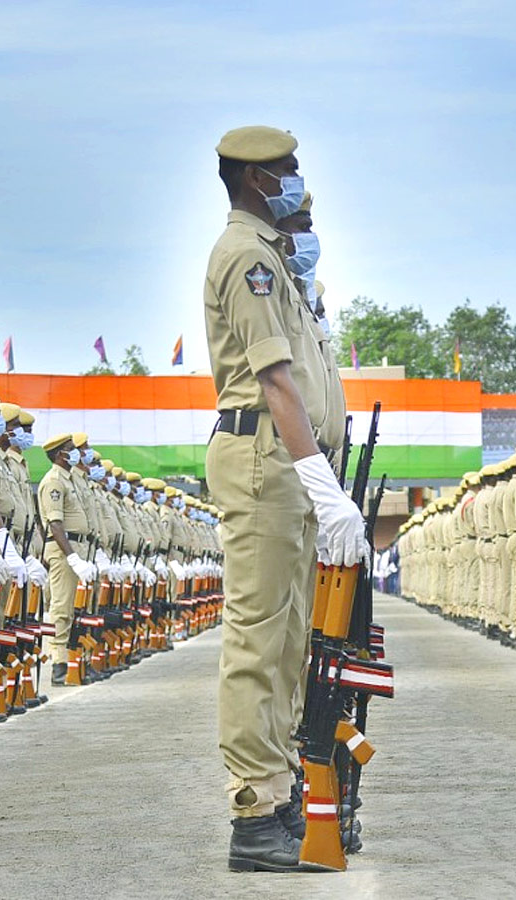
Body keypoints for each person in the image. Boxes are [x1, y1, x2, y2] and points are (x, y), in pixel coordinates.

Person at [203, 126, 364, 872]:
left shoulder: (273, 263)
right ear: (254, 178)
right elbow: (274, 384)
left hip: (288, 465)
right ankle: (253, 810)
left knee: (291, 641)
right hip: (266, 461)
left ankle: (279, 790)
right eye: (287, 171)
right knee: (260, 640)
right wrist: (322, 487)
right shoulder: (246, 257)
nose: (297, 180)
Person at [37, 433, 96, 685]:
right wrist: (72, 557)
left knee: (75, 608)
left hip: (77, 548)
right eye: (72, 449)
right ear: (61, 454)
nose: (77, 453)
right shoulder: (53, 481)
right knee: (61, 608)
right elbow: (55, 524)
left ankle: (71, 661)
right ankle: (59, 663)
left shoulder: (69, 480)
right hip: (63, 550)